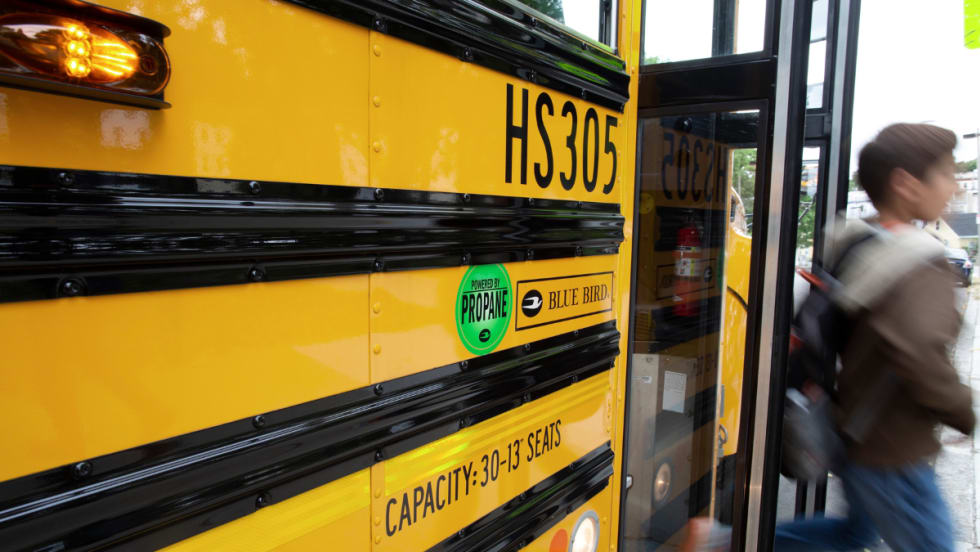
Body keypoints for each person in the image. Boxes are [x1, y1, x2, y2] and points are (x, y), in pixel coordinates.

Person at [774, 123, 976, 551]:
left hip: (855, 430)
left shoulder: (855, 243)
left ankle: (726, 542)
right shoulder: (919, 262)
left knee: (853, 535)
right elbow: (918, 350)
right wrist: (962, 411)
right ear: (905, 183)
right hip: (893, 449)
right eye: (945, 174)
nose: (955, 187)